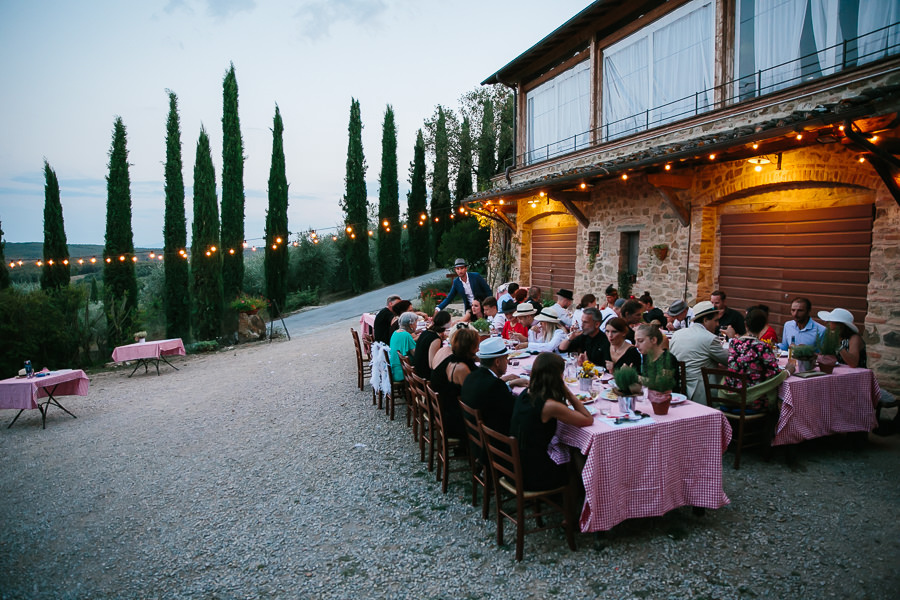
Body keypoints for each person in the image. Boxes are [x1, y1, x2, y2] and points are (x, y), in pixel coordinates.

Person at [510, 352, 593, 491]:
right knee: (575, 451)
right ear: (557, 376)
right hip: (533, 474)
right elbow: (587, 419)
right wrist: (568, 393)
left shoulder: (527, 393)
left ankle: (583, 493)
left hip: (517, 464)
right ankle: (581, 496)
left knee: (569, 445)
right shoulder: (549, 406)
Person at [460, 337, 527, 438]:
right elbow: (517, 409)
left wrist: (510, 384)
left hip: (476, 439)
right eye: (506, 358)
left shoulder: (471, 376)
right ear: (497, 362)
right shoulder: (494, 386)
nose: (507, 362)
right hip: (495, 445)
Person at [726, 308, 793, 408]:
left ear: (746, 324)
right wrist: (788, 371)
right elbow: (774, 375)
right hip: (752, 400)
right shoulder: (762, 346)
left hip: (731, 397)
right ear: (764, 327)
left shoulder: (733, 343)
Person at [669, 301, 730, 404]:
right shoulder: (710, 338)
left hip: (677, 387)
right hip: (701, 392)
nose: (717, 324)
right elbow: (730, 361)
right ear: (705, 320)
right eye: (715, 321)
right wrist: (732, 339)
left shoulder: (677, 334)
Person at [430, 326, 480, 438]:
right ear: (470, 347)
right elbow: (473, 396)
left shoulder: (452, 359)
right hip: (455, 422)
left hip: (443, 413)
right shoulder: (461, 368)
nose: (478, 349)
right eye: (477, 346)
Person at [635, 323, 681, 393]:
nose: (636, 345)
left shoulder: (667, 358)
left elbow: (661, 386)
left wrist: (635, 377)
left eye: (640, 341)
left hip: (669, 400)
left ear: (653, 340)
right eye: (635, 341)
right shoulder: (646, 356)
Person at [412, 310, 451, 379]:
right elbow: (432, 365)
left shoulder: (426, 332)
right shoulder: (435, 339)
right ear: (446, 323)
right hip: (425, 375)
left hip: (418, 371)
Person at [388, 312, 418, 382]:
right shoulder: (406, 335)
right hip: (402, 373)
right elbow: (416, 354)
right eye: (416, 323)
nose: (416, 325)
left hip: (394, 370)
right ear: (411, 325)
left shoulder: (395, 332)